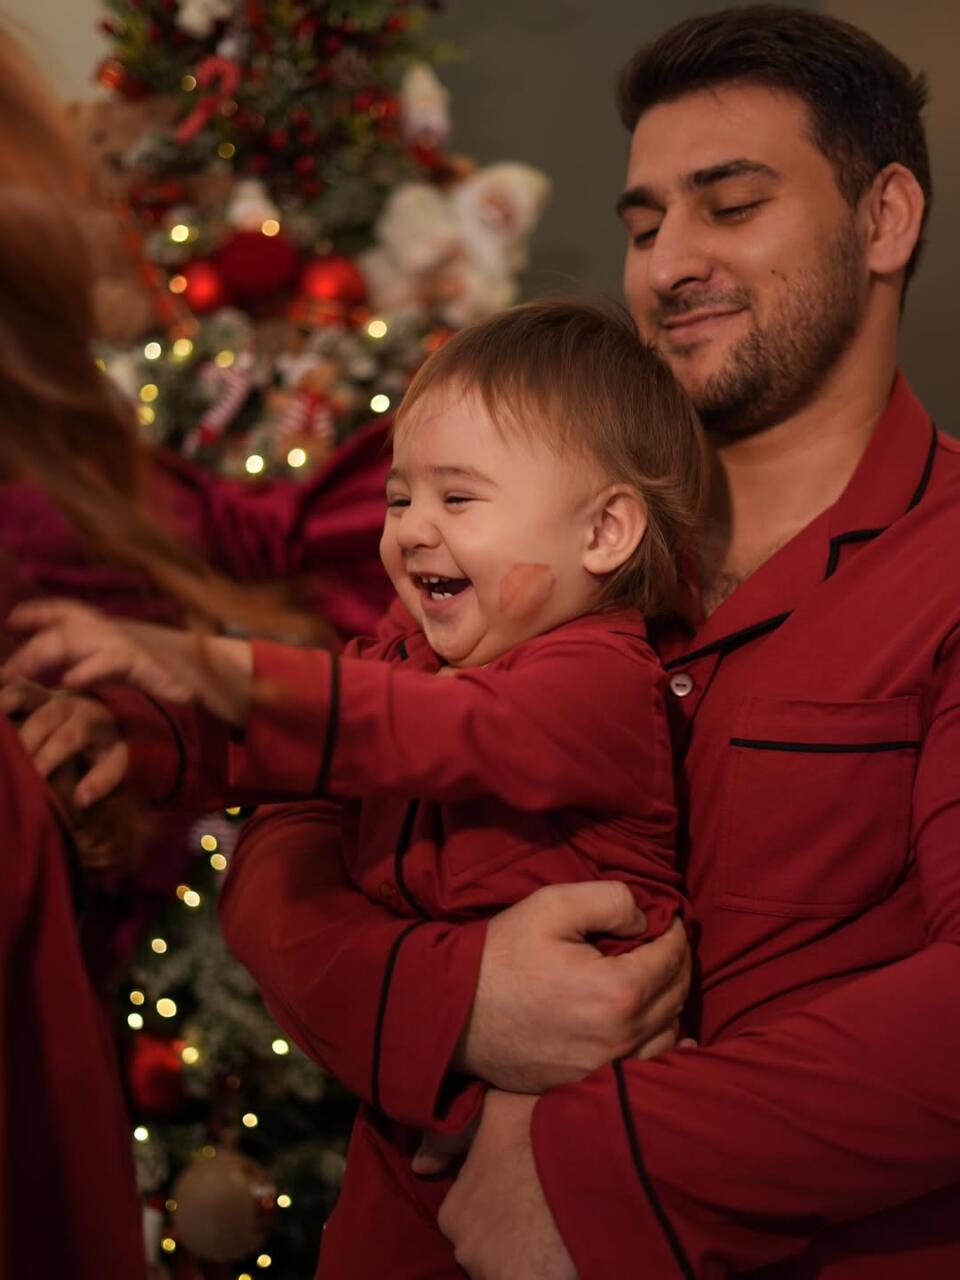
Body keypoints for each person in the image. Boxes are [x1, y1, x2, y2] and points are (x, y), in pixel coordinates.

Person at [202, 7, 959, 1277]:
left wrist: (605, 1158)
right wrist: (448, 996)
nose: (668, 265)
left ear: (885, 219)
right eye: (645, 221)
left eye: (729, 204)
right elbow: (292, 839)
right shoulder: (527, 539)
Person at [3, 297, 704, 1274]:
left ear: (605, 531)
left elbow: (423, 733)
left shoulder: (600, 679)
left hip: (574, 1129)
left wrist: (212, 661)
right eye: (398, 497)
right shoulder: (410, 649)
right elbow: (285, 745)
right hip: (416, 1114)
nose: (412, 531)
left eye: (458, 499)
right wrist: (133, 730)